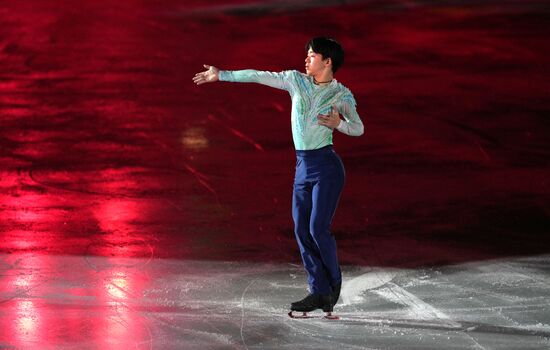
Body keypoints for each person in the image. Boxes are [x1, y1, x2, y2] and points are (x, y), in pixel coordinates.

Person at [193, 37, 364, 316]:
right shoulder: (295, 81)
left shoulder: (341, 95)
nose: (306, 59)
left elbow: (359, 128)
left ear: (327, 61)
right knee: (300, 229)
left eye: (312, 55)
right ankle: (317, 289)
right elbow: (259, 76)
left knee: (318, 229)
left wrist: (339, 124)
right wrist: (221, 75)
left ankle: (331, 289)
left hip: (327, 168)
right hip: (302, 167)